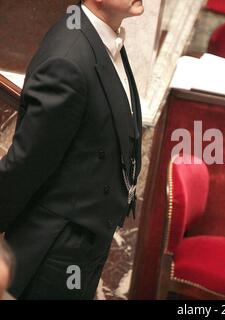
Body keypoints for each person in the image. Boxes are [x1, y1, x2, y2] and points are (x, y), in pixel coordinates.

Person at [0, 0, 144, 299]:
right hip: (56, 250)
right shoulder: (67, 60)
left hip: (85, 239)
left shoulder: (101, 34)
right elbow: (26, 164)